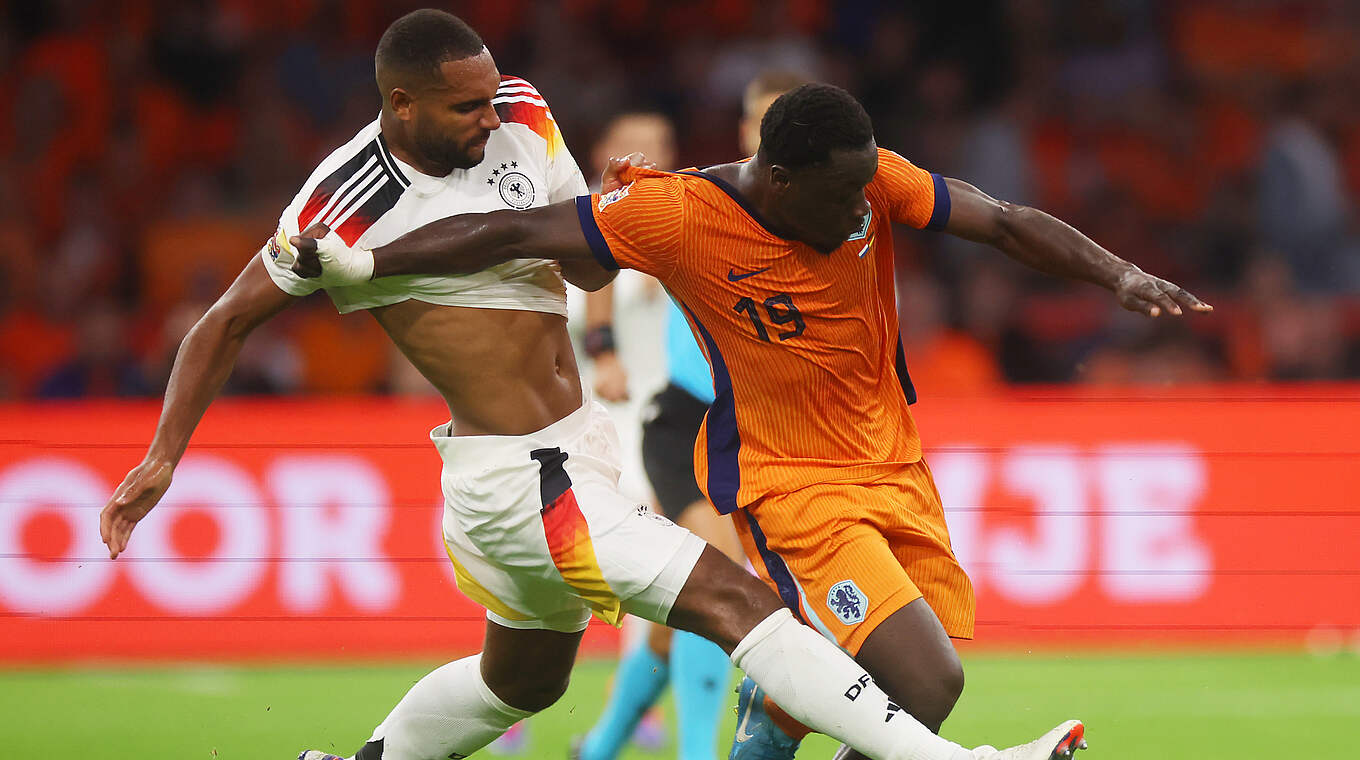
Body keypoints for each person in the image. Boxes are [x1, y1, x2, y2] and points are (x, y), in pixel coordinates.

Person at [97, 11, 1084, 760]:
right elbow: (223, 321)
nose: (492, 114)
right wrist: (160, 458)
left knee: (516, 685)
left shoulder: (522, 112)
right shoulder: (339, 204)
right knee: (738, 603)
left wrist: (614, 210)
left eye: (491, 95)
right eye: (464, 107)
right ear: (400, 106)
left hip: (579, 448)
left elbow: (588, 269)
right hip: (522, 480)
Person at [292, 83, 1213, 760]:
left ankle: (773, 719)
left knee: (914, 693)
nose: (862, 209)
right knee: (928, 681)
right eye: (840, 195)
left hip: (893, 465)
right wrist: (368, 268)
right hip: (787, 479)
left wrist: (1118, 274)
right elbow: (514, 235)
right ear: (776, 175)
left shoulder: (872, 179)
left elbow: (1004, 222)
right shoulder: (679, 214)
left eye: (865, 191)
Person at [576, 75, 807, 760]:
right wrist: (603, 346)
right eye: (758, 119)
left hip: (752, 432)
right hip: (670, 424)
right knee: (718, 586)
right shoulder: (701, 196)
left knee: (674, 616)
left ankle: (600, 747)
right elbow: (599, 247)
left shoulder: (817, 211)